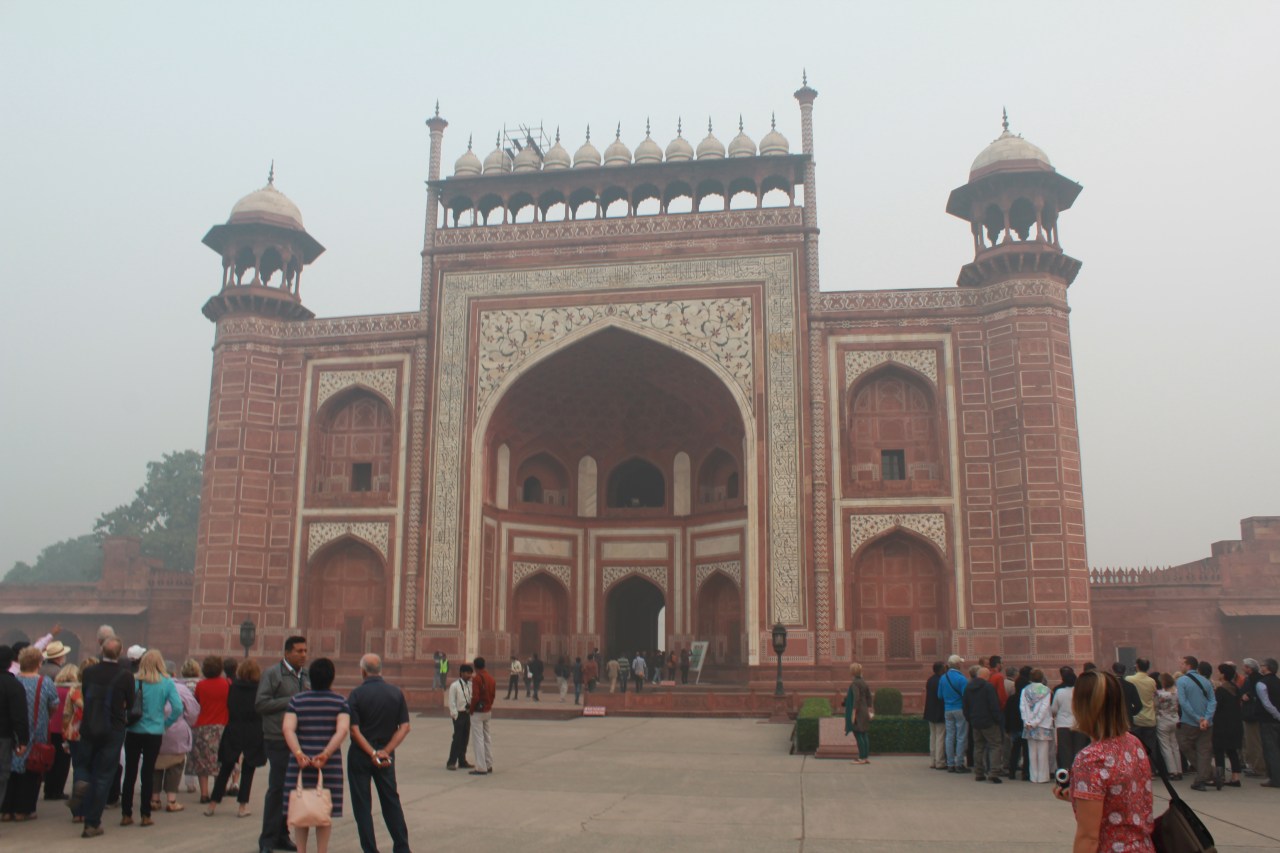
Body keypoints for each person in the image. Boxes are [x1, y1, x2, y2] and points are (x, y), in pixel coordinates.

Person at [1052, 670, 1154, 853]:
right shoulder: (1133, 743)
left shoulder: (1091, 758)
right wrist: (1077, 796)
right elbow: (1123, 799)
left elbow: (1088, 837)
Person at [282, 658, 349, 853]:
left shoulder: (297, 701)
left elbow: (288, 729)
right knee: (323, 812)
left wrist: (299, 753)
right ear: (332, 678)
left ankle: (301, 850)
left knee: (301, 812)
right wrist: (326, 753)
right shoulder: (340, 702)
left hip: (300, 765)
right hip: (328, 766)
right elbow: (342, 730)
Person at [347, 654, 411, 853]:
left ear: (363, 671)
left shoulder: (356, 694)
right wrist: (385, 751)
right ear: (380, 670)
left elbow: (354, 731)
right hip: (385, 755)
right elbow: (405, 727)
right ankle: (402, 847)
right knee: (391, 801)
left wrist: (372, 752)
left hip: (360, 755)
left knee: (362, 807)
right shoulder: (395, 693)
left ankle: (370, 850)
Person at [76, 637, 134, 838]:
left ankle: (81, 782)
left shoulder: (89, 672)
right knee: (103, 776)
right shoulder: (125, 676)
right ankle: (92, 823)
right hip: (113, 728)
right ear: (120, 652)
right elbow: (131, 702)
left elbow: (85, 694)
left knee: (85, 765)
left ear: (101, 650)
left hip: (89, 726)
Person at [257, 635, 310, 853]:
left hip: (298, 739)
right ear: (287, 652)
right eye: (299, 651)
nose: (303, 655)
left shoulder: (305, 676)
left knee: (289, 789)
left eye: (305, 651)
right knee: (277, 788)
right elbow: (261, 703)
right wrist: (291, 700)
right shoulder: (273, 674)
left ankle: (281, 835)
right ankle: (267, 840)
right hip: (277, 738)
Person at [120, 649, 182, 827]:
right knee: (148, 772)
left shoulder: (134, 680)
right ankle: (145, 814)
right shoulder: (166, 683)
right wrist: (165, 723)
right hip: (154, 732)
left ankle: (126, 813)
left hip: (133, 730)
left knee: (130, 772)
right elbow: (177, 707)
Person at [206, 657, 265, 818]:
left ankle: (212, 805)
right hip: (254, 729)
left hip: (234, 727)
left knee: (226, 767)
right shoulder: (259, 689)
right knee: (248, 768)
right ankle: (242, 806)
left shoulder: (233, 687)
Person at [3, 646, 55, 821]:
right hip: (36, 729)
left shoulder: (14, 681)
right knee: (31, 769)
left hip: (14, 730)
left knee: (10, 770)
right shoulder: (44, 682)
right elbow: (53, 705)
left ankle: (6, 808)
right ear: (38, 663)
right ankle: (24, 809)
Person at [152, 668, 199, 813]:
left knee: (155, 764)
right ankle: (171, 800)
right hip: (176, 730)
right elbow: (192, 711)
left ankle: (154, 799)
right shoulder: (181, 688)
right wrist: (187, 723)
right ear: (174, 674)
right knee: (176, 764)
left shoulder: (151, 685)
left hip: (154, 729)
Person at [192, 655, 230, 804]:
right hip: (222, 725)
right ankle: (219, 790)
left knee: (203, 761)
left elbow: (197, 702)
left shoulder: (201, 685)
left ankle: (204, 793)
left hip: (203, 725)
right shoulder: (227, 684)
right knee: (220, 760)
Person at [1175, 655, 1216, 791]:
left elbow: (1183, 702)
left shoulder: (1182, 681)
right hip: (1207, 722)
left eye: (1182, 663)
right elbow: (1212, 701)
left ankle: (1208, 774)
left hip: (1189, 722)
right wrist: (1207, 718)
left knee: (1184, 745)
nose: (1180, 666)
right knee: (1204, 750)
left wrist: (1197, 718)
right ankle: (1205, 775)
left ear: (1188, 665)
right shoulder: (1206, 681)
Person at [42, 652, 74, 801]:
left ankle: (48, 789)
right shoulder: (71, 691)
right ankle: (58, 790)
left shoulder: (54, 688)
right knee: (63, 761)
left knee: (51, 759)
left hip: (51, 728)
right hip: (65, 729)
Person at [963, 666, 1003, 783]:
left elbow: (965, 705)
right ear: (986, 676)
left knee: (978, 747)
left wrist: (970, 719)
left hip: (975, 721)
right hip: (989, 722)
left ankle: (979, 773)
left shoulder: (968, 687)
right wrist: (998, 719)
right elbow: (994, 705)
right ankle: (993, 773)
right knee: (995, 746)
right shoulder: (988, 687)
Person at [1212, 662, 1243, 789]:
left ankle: (1220, 777)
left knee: (1219, 750)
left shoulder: (1221, 689)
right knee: (1232, 751)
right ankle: (1236, 777)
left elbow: (1216, 706)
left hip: (1222, 724)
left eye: (1219, 672)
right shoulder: (1236, 688)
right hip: (1235, 723)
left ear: (1223, 674)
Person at [1052, 666, 1089, 773]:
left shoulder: (1059, 692)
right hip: (1078, 724)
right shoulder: (1081, 692)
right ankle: (1078, 772)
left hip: (1063, 725)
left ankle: (1066, 773)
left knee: (1065, 751)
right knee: (1079, 749)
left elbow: (1054, 709)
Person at [1125, 658, 1159, 771]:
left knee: (1135, 747)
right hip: (1150, 717)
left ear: (1137, 666)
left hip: (1136, 718)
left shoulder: (1130, 679)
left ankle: (1138, 769)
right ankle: (1151, 769)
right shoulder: (1151, 681)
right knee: (1150, 746)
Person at [1021, 669, 1054, 783]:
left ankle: (1033, 776)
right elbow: (1044, 708)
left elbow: (1022, 707)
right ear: (1042, 678)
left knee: (1032, 752)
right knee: (1043, 752)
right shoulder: (1046, 690)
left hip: (1028, 725)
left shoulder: (1025, 690)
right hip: (1043, 725)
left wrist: (1027, 721)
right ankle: (1042, 777)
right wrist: (1036, 721)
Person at [938, 655, 968, 772]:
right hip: (959, 708)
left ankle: (950, 763)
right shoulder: (962, 679)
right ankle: (959, 763)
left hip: (947, 709)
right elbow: (965, 696)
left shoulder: (943, 678)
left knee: (949, 736)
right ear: (957, 665)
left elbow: (939, 695)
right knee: (961, 736)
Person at [1239, 658, 1267, 778]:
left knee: (1254, 743)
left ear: (1249, 668)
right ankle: (1255, 766)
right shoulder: (1256, 678)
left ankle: (1259, 768)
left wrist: (1247, 695)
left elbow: (1253, 693)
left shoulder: (1254, 679)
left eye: (1244, 666)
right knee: (1253, 742)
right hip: (1253, 714)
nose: (1243, 668)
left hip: (1252, 715)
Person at [468, 657, 496, 776]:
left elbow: (475, 696)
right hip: (487, 711)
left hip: (478, 712)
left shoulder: (477, 678)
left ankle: (481, 767)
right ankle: (488, 763)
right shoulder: (491, 678)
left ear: (475, 666)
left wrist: (471, 709)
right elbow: (493, 695)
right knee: (486, 738)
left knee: (478, 739)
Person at [1256, 658, 1280, 788]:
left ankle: (1275, 779)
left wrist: (1277, 715)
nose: (1261, 667)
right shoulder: (1278, 682)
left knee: (1271, 750)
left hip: (1268, 720)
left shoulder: (1262, 683)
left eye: (1262, 665)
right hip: (1277, 720)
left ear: (1267, 668)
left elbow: (1266, 704)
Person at [1153, 673, 1183, 779]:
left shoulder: (1159, 694)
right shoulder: (1177, 692)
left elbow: (1155, 706)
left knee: (1166, 747)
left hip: (1163, 721)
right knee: (1175, 745)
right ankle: (1179, 770)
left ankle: (1172, 771)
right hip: (1175, 719)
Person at [843, 663, 872, 765]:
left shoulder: (855, 683)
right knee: (864, 733)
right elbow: (869, 698)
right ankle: (865, 757)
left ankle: (861, 758)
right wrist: (869, 711)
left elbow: (856, 698)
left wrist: (853, 713)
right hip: (864, 710)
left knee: (858, 733)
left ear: (852, 672)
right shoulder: (864, 682)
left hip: (858, 711)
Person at [1006, 666, 1031, 781]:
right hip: (1025, 727)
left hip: (1015, 728)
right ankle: (1025, 773)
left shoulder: (1011, 699)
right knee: (1026, 751)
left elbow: (1007, 714)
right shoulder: (1027, 699)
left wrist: (1007, 728)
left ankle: (1012, 772)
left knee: (1015, 750)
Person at [446, 664, 473, 771]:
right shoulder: (455, 685)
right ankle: (451, 762)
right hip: (459, 714)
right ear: (461, 673)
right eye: (467, 673)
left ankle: (462, 760)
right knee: (457, 738)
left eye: (470, 673)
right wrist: (455, 715)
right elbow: (451, 701)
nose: (469, 675)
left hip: (467, 713)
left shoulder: (470, 685)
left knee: (465, 738)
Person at [923, 661, 945, 770]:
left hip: (930, 711)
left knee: (933, 736)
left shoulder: (930, 680)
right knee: (940, 737)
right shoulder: (942, 680)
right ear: (941, 670)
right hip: (939, 712)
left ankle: (932, 760)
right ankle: (939, 761)